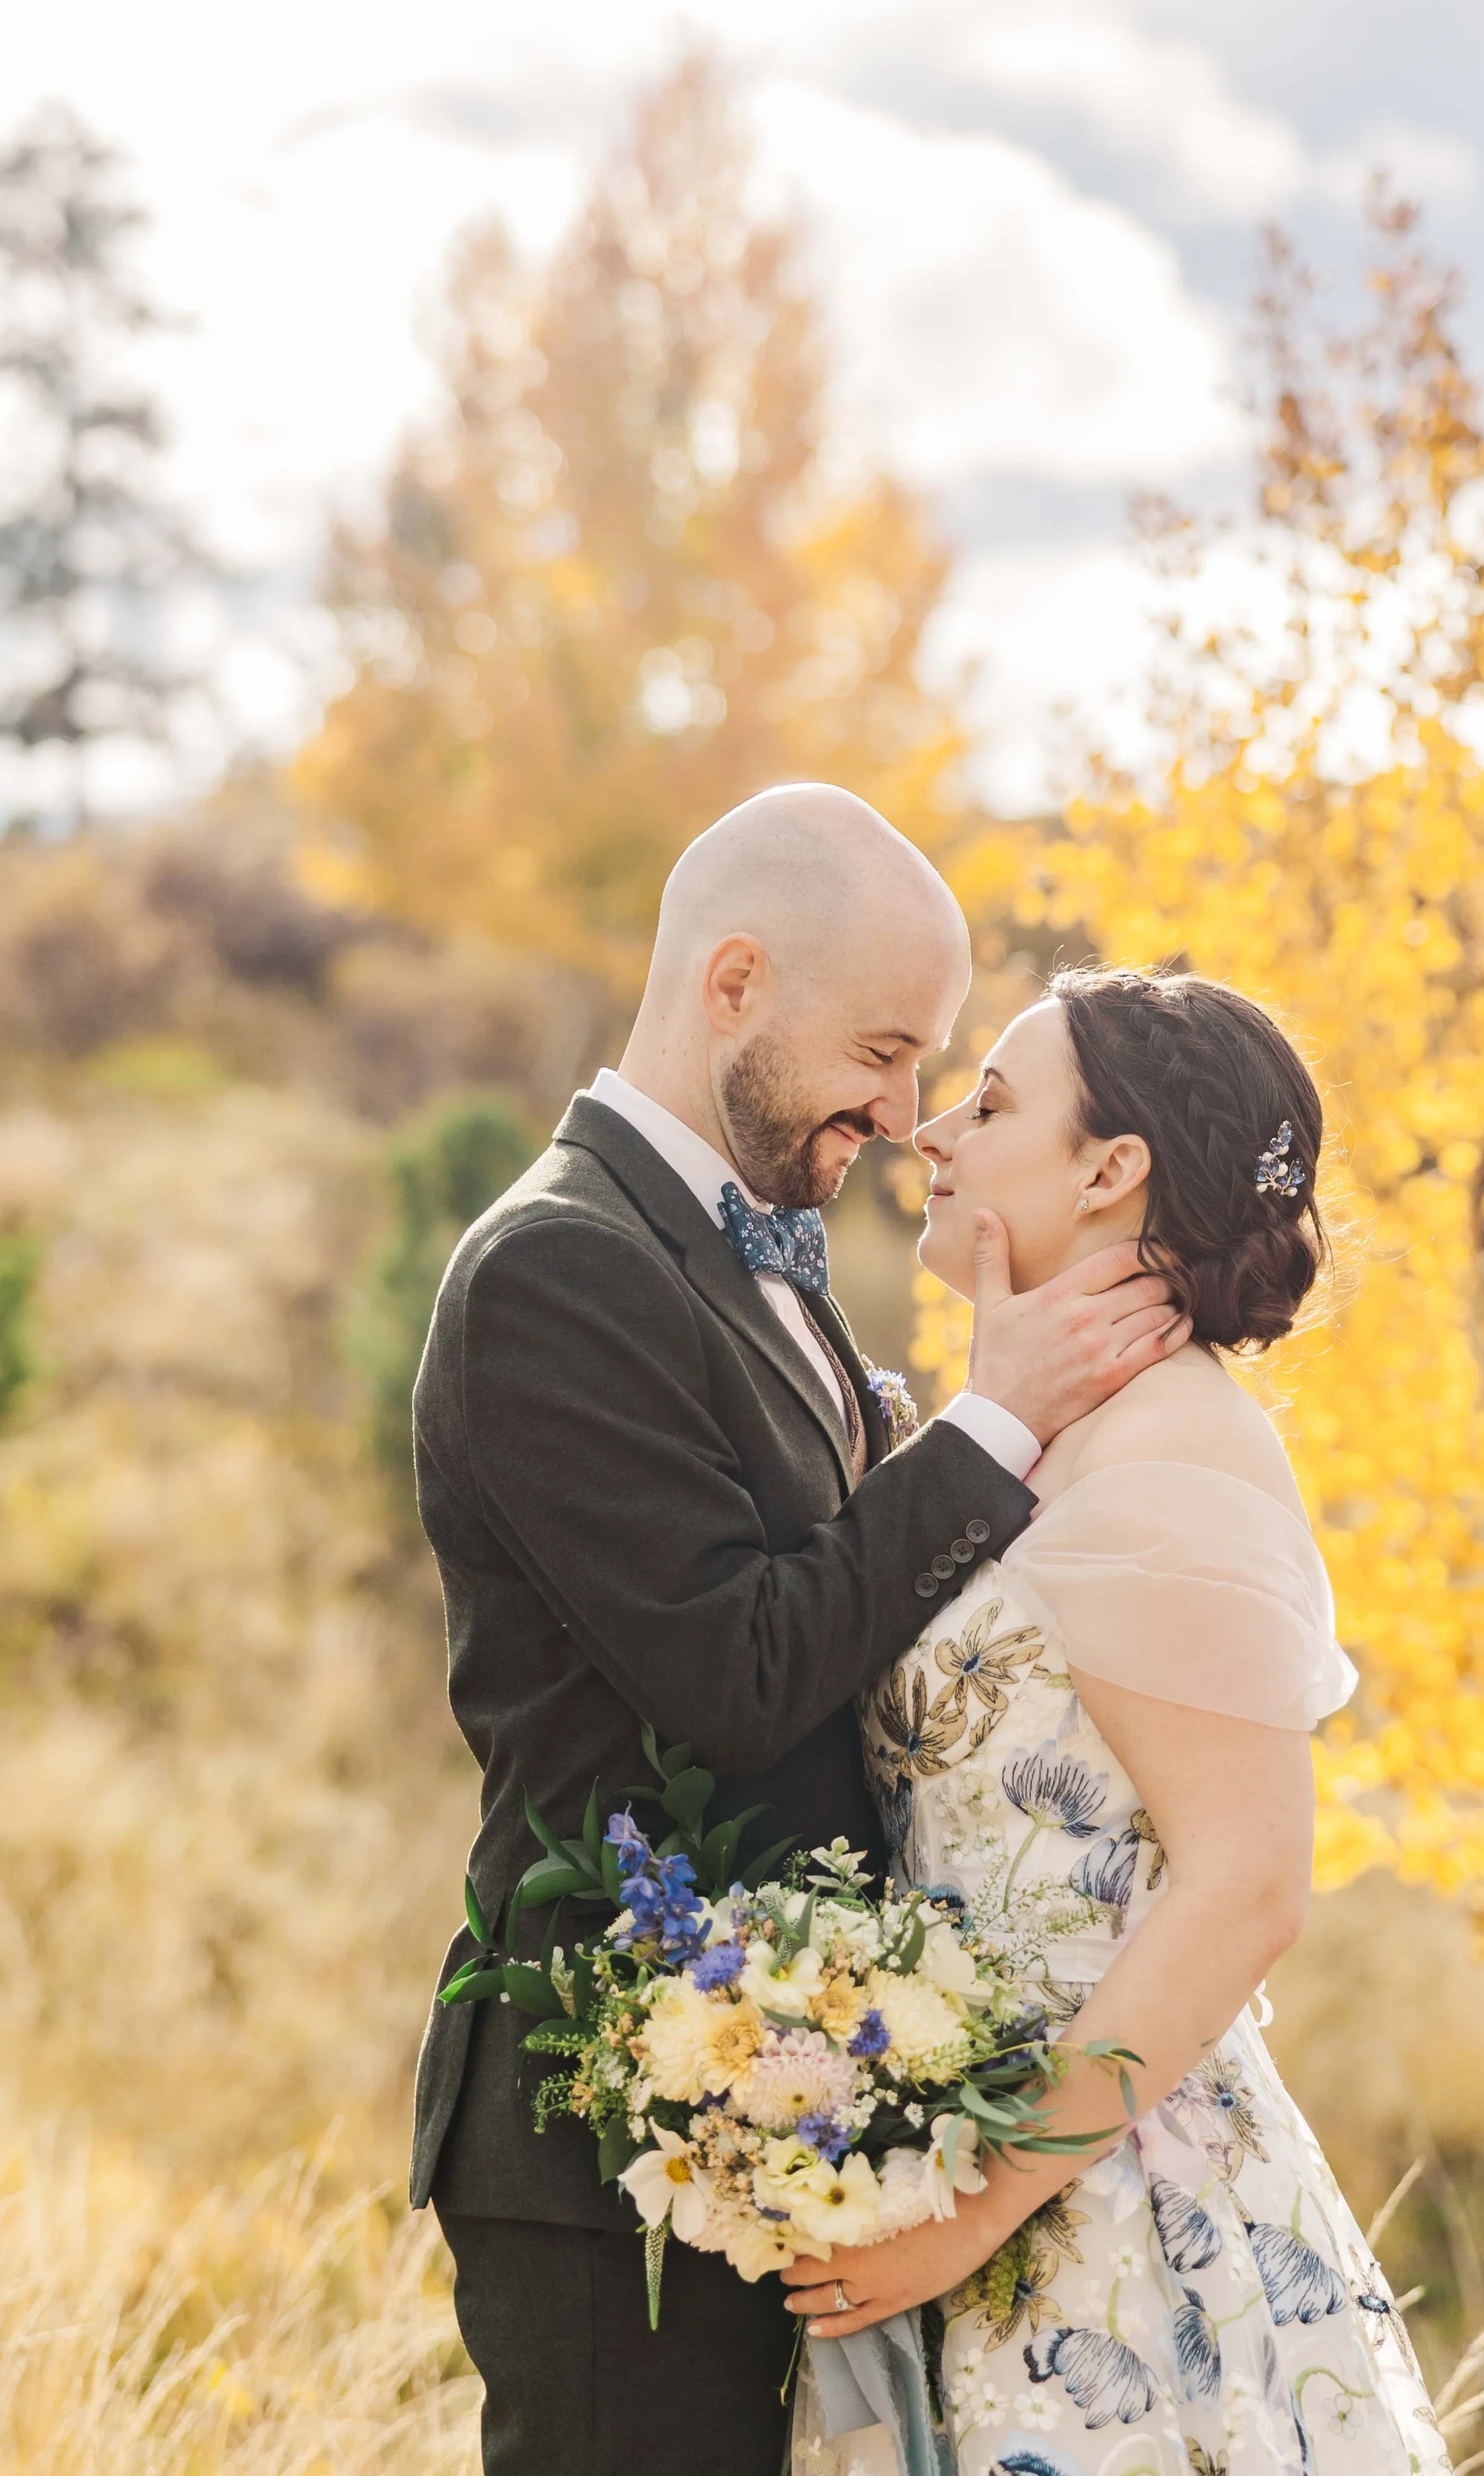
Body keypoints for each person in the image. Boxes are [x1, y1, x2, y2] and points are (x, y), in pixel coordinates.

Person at [407, 788, 1187, 2476]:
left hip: (796, 2107)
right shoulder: (555, 1267)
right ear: (735, 982)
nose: (907, 1114)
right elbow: (737, 1670)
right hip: (607, 2131)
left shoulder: (754, 1253)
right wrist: (988, 1430)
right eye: (886, 1052)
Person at [783, 967, 1448, 2476]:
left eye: (992, 1103)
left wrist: (977, 2207)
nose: (933, 1137)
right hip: (984, 2182)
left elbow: (1247, 1885)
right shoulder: (1051, 1434)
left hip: (1110, 2237)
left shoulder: (1174, 1450)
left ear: (1110, 1170)